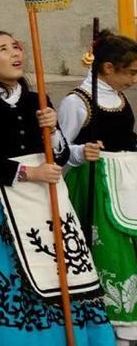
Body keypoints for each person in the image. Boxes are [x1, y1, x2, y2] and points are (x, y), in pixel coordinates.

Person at [0, 30, 114, 345]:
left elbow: (56, 152)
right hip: (3, 193)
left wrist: (52, 129)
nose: (15, 53)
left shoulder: (38, 98)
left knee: (62, 266)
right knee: (12, 268)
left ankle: (69, 335)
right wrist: (29, 173)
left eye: (16, 47)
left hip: (48, 194)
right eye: (3, 49)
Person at [60, 30, 137, 345]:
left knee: (129, 249)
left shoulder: (118, 96)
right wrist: (81, 153)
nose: (134, 79)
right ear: (108, 68)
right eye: (131, 72)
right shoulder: (76, 102)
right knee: (109, 254)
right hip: (95, 184)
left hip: (126, 182)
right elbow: (59, 150)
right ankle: (111, 323)